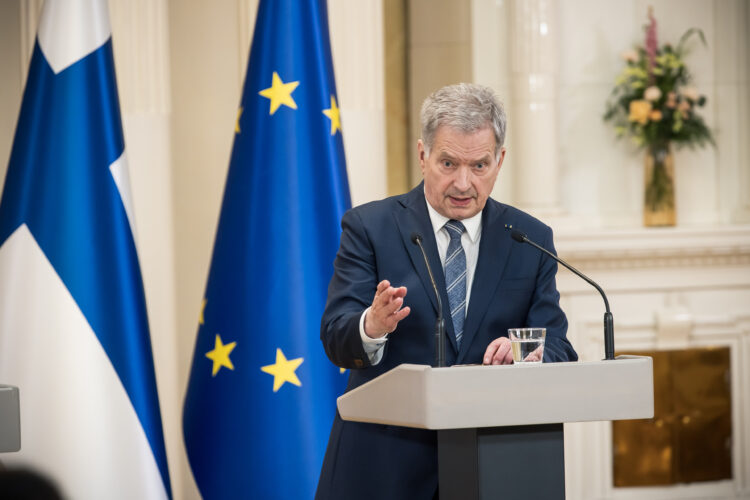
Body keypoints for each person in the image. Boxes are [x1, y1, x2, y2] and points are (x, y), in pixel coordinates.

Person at [315, 83, 577, 500]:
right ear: (423, 155)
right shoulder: (370, 228)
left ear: (500, 161)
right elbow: (336, 337)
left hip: (494, 464)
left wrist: (527, 353)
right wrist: (373, 326)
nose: (463, 183)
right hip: (384, 468)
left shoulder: (529, 238)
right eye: (449, 163)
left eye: (479, 166)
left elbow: (560, 346)